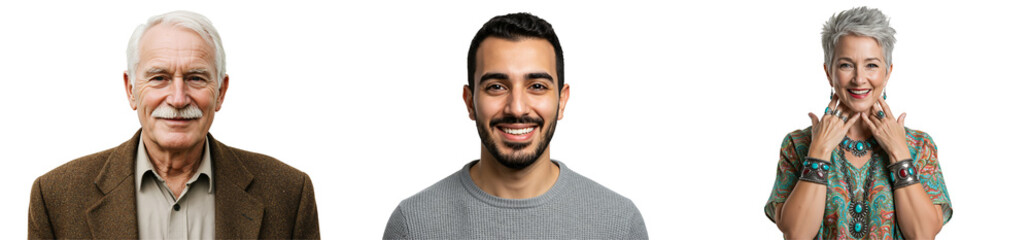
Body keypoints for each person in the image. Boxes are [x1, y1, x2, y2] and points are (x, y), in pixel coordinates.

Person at [27, 11, 319, 239]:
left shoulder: (289, 194)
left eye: (196, 78)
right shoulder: (56, 197)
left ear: (220, 92)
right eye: (159, 78)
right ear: (131, 89)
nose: (178, 99)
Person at [383, 12, 647, 239]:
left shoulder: (619, 225)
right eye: (497, 86)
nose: (517, 108)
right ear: (470, 102)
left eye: (537, 86)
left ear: (562, 101)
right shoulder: (412, 226)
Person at [764, 7, 953, 239]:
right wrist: (819, 151)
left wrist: (899, 153)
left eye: (871, 65)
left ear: (888, 72)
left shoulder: (919, 145)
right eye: (846, 65)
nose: (859, 79)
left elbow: (922, 234)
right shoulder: (798, 144)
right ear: (828, 72)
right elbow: (797, 234)